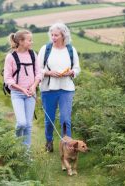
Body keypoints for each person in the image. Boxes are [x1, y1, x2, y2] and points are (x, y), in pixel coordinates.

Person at [37, 23, 81, 152]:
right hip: (48, 89)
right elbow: (38, 69)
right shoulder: (45, 49)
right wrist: (48, 72)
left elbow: (77, 68)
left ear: (63, 35)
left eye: (56, 35)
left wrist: (71, 72)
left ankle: (67, 146)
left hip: (66, 88)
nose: (53, 37)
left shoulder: (71, 50)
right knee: (49, 119)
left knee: (65, 119)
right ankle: (49, 141)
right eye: (52, 35)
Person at [4, 30, 42, 148]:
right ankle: (16, 142)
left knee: (28, 125)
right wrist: (22, 89)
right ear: (21, 41)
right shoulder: (10, 57)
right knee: (21, 123)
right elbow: (8, 79)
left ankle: (26, 154)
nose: (32, 42)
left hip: (31, 93)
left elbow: (39, 74)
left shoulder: (33, 54)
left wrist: (33, 86)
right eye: (29, 40)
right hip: (17, 94)